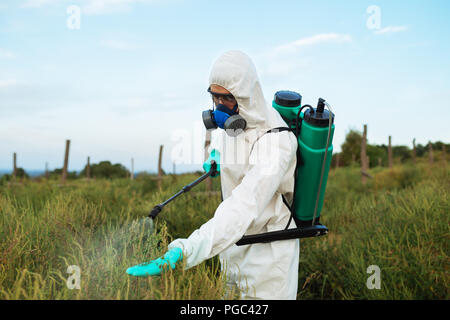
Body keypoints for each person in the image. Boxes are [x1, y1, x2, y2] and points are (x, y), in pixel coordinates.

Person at [127, 50, 299, 300]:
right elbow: (232, 145)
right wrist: (217, 156)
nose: (219, 107)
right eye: (214, 98)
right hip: (231, 246)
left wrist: (186, 250)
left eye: (226, 99)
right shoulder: (237, 124)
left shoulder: (277, 142)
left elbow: (243, 206)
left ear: (246, 95)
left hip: (267, 258)